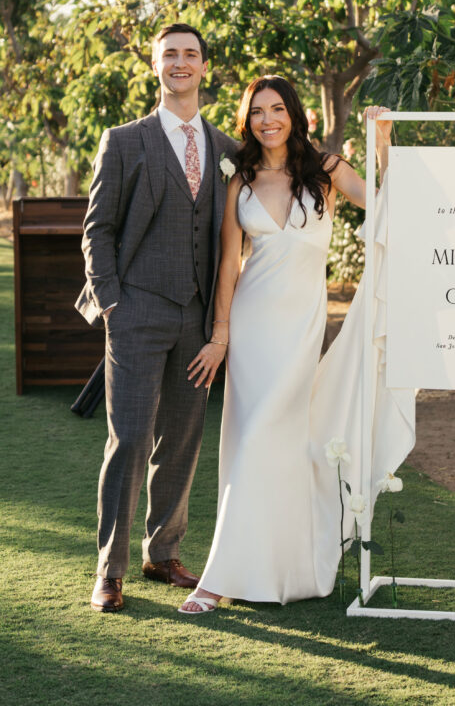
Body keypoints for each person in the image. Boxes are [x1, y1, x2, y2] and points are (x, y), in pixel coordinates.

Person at [178, 75, 415, 613]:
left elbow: (381, 204)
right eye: (258, 111)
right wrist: (220, 335)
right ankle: (220, 576)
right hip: (254, 325)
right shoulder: (238, 181)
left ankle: (291, 568)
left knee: (283, 443)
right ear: (247, 120)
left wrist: (383, 147)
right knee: (252, 442)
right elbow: (228, 269)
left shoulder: (326, 172)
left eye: (277, 109)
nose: (268, 120)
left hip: (301, 327)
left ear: (294, 114)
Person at [76, 23, 239, 613]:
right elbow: (97, 228)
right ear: (155, 65)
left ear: (203, 67)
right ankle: (110, 569)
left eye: (191, 54)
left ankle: (162, 550)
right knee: (129, 439)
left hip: (197, 321)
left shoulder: (226, 148)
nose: (181, 62)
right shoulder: (123, 140)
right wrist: (112, 301)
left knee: (182, 440)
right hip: (136, 310)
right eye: (170, 54)